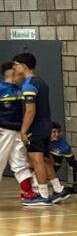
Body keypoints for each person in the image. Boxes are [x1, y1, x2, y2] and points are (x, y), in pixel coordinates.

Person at [15, 54, 66, 203]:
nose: (14, 68)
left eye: (16, 65)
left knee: (37, 161)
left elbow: (31, 111)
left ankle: (43, 195)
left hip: (36, 127)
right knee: (44, 159)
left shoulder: (28, 85)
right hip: (46, 125)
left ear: (23, 66)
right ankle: (58, 189)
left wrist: (23, 130)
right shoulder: (41, 82)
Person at [0, 62, 46, 207]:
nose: (20, 73)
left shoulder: (19, 89)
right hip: (4, 130)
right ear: (12, 72)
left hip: (17, 130)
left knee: (20, 162)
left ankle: (27, 193)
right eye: (16, 70)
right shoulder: (1, 88)